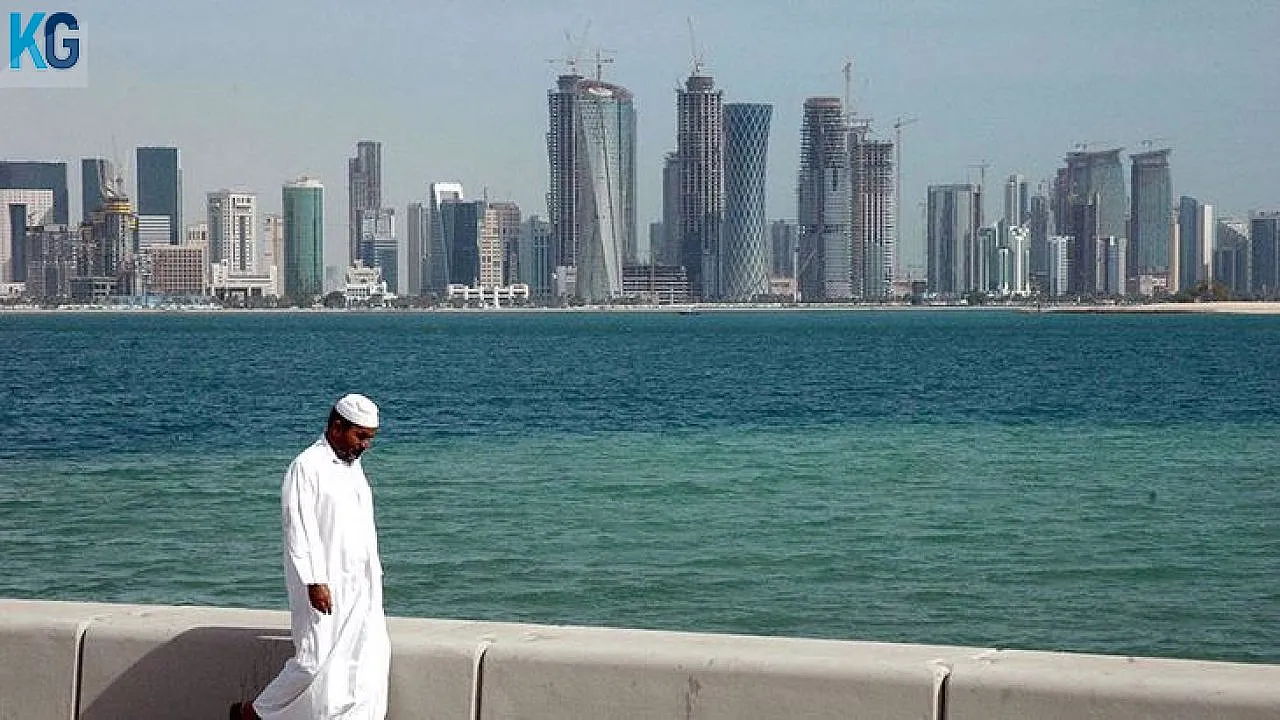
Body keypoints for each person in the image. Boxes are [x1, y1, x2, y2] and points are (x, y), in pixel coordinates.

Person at [232, 394, 390, 720]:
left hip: (361, 583)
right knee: (313, 660)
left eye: (370, 438)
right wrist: (315, 581)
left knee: (364, 658)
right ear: (337, 427)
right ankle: (253, 714)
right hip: (322, 584)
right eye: (360, 436)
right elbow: (299, 528)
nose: (365, 445)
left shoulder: (353, 468)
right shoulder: (307, 466)